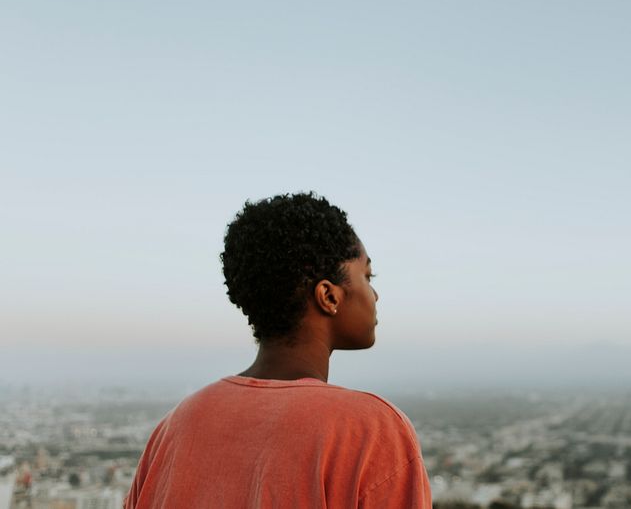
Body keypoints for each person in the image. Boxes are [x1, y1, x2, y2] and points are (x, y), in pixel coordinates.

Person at [124, 192, 433, 508]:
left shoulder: (177, 425)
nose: (375, 295)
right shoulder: (370, 432)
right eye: (367, 276)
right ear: (328, 295)